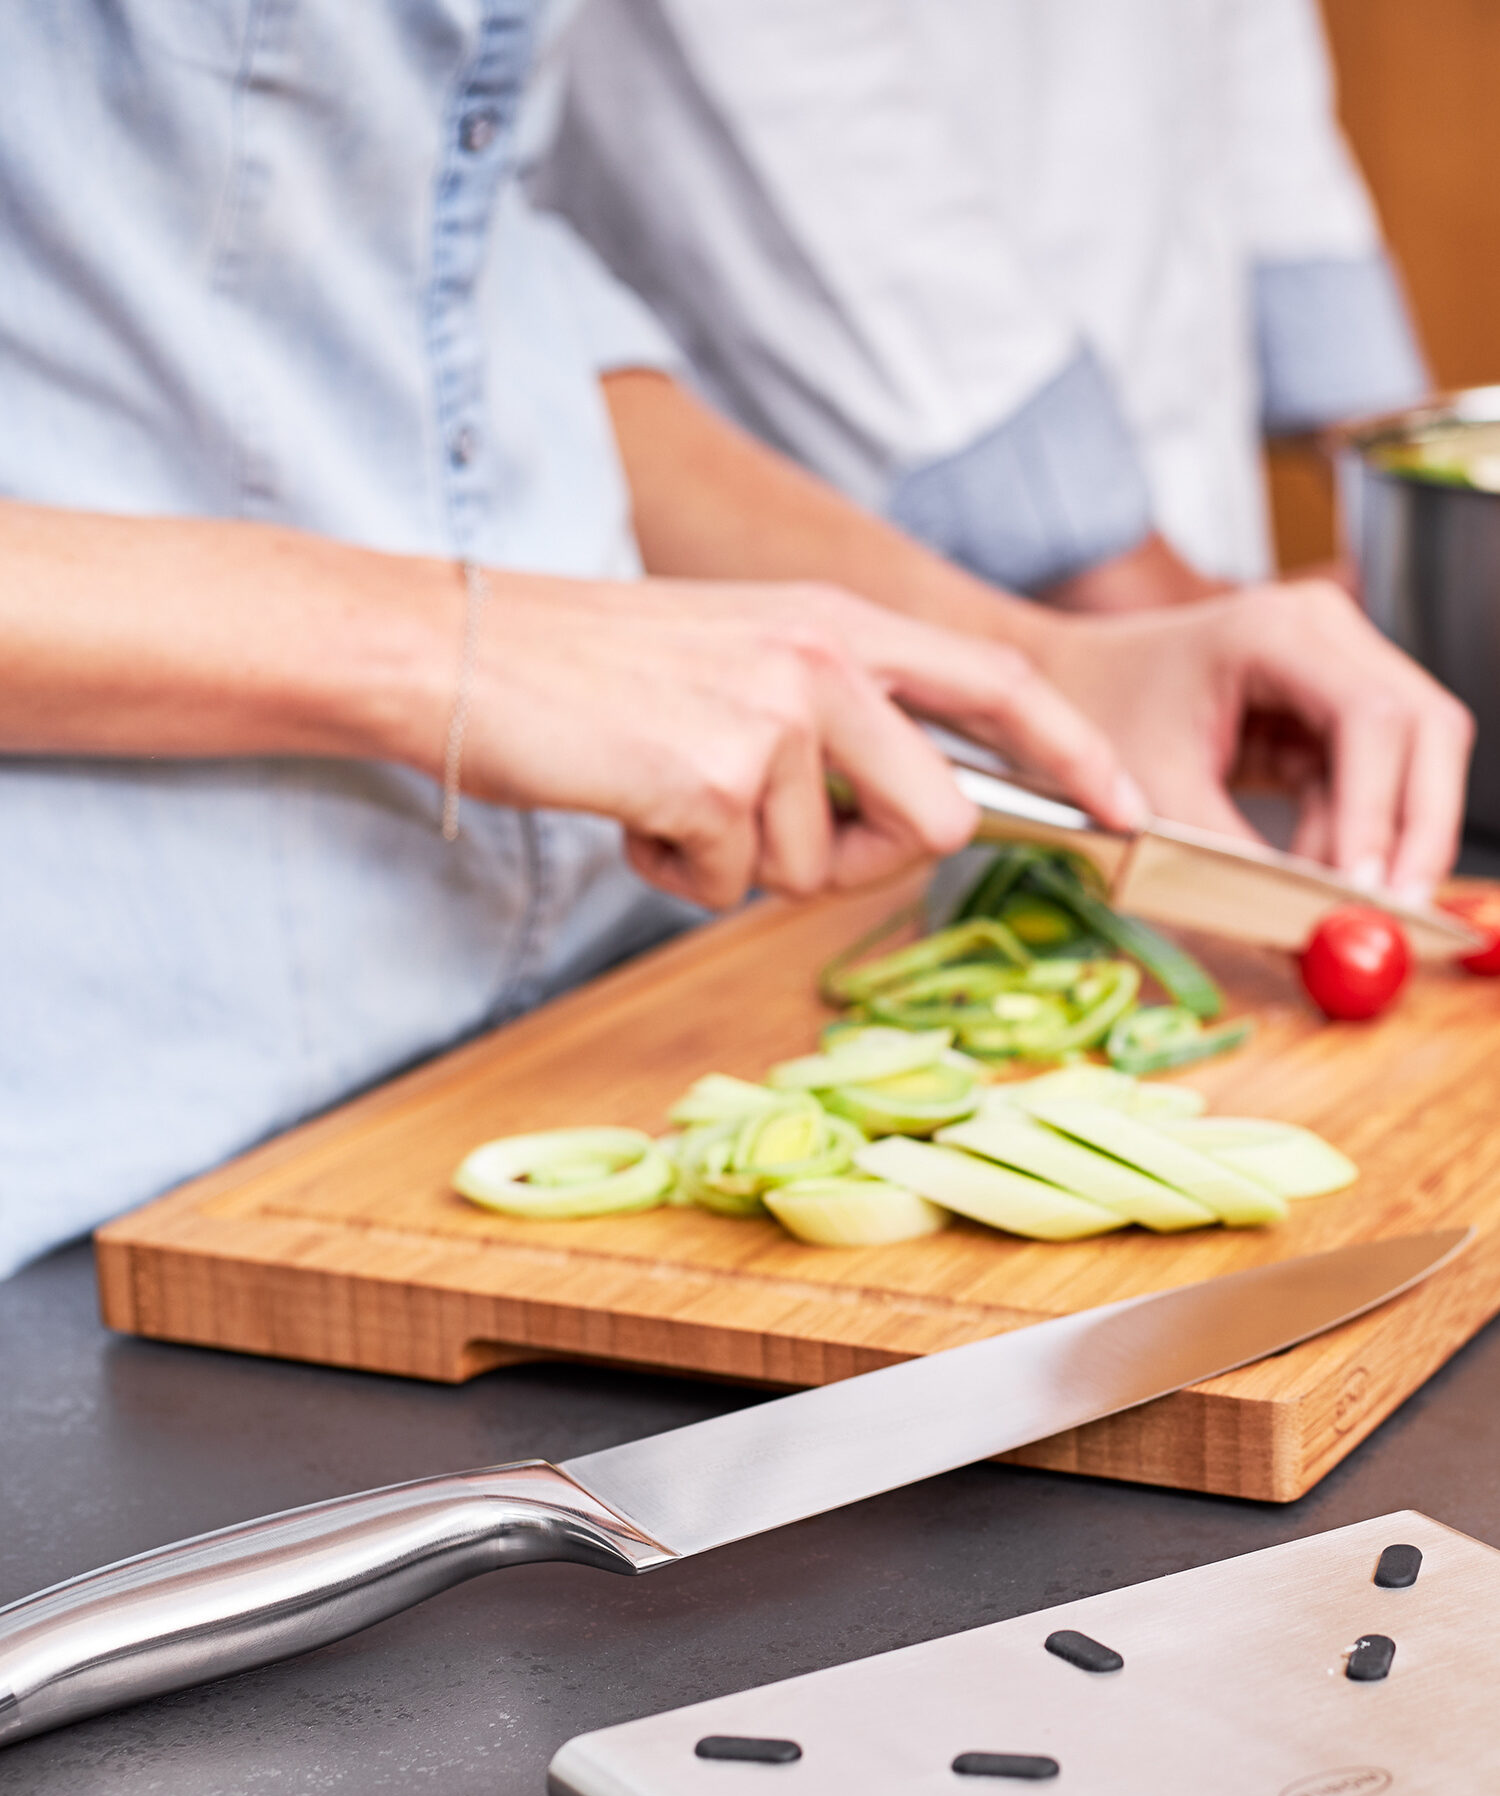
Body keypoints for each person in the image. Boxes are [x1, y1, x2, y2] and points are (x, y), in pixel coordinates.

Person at [0, 1, 1470, 1281]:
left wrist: (1033, 664)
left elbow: (474, 291)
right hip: (104, 1148)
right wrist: (455, 650)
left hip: (566, 1046)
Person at [539, 0, 1428, 611]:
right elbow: (764, 72)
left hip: (1171, 544)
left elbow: (1235, 51)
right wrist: (1111, 580)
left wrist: (1420, 489)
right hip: (850, 512)